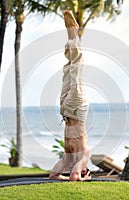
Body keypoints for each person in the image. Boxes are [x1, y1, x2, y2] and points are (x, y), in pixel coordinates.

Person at [49, 10, 90, 181]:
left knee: (77, 65)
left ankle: (73, 31)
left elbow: (74, 176)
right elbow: (54, 175)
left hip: (76, 109)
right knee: (69, 68)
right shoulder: (68, 156)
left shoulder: (83, 155)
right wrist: (68, 176)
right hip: (65, 111)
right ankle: (71, 33)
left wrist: (82, 178)